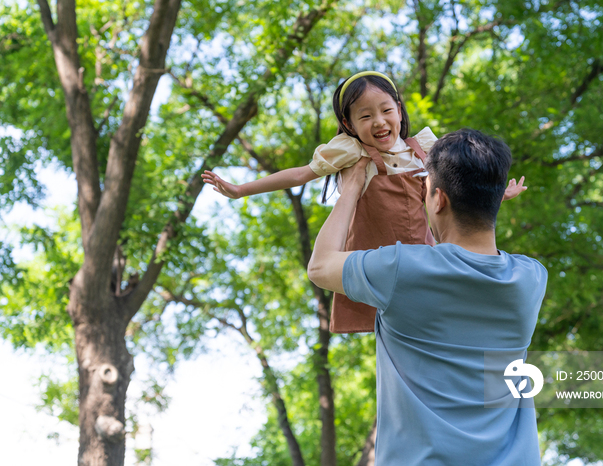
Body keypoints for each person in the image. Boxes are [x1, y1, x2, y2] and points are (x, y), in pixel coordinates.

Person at [202, 72, 526, 333]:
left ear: (399, 109)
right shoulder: (353, 153)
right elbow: (300, 174)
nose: (379, 122)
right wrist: (241, 190)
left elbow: (460, 185)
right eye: (365, 116)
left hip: (423, 254)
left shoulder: (422, 147)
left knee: (434, 313)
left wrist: (496, 194)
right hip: (378, 260)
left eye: (386, 110)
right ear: (349, 125)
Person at [307, 129, 548, 465]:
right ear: (496, 198)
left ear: (438, 199)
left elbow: (320, 267)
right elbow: (467, 257)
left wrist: (350, 188)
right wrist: (483, 198)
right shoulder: (532, 278)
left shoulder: (401, 269)